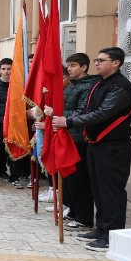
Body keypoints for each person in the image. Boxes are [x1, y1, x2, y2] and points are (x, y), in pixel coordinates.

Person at [52, 47, 131, 252]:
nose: (96, 63)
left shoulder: (120, 87)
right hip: (96, 144)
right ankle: (100, 230)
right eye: (96, 60)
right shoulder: (100, 83)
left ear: (116, 63)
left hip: (113, 147)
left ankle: (111, 236)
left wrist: (69, 121)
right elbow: (88, 110)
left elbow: (102, 114)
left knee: (111, 192)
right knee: (98, 190)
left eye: (101, 60)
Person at [57, 53, 98, 232]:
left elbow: (81, 113)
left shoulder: (88, 87)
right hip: (68, 136)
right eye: (68, 65)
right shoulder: (72, 86)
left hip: (80, 139)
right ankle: (73, 211)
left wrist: (57, 115)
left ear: (84, 67)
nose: (69, 69)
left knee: (80, 180)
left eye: (73, 65)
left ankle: (84, 217)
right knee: (69, 180)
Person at [0, 58, 26, 188]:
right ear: (0, 70)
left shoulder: (19, 86)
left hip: (14, 123)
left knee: (14, 150)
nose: (6, 71)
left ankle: (15, 177)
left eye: (9, 69)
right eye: (3, 69)